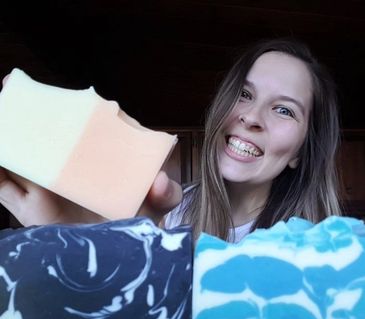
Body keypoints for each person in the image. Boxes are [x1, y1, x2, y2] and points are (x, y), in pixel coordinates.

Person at [0, 38, 342, 242]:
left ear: (301, 152)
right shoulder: (159, 215)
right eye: (243, 93)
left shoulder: (331, 253)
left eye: (284, 110)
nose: (251, 117)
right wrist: (84, 246)